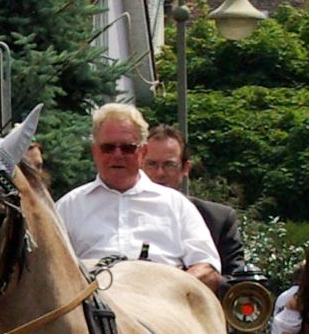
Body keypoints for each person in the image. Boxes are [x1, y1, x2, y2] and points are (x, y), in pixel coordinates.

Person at [54, 103, 220, 287]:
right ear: (95, 151)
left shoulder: (176, 205)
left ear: (143, 152)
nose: (117, 155)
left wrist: (170, 290)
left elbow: (207, 268)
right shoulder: (68, 207)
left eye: (127, 148)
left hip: (160, 300)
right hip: (91, 300)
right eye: (108, 147)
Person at [142, 125, 244, 284]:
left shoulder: (218, 219)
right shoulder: (124, 212)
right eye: (151, 164)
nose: (159, 173)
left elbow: (236, 282)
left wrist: (202, 278)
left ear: (185, 168)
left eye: (169, 165)